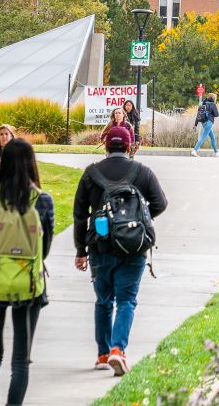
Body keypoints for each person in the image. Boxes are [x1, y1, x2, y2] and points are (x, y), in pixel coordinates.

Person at [73, 129, 168, 376]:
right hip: (134, 247)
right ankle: (118, 349)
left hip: (99, 246)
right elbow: (160, 203)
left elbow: (80, 214)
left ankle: (103, 353)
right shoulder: (143, 173)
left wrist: (80, 250)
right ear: (129, 147)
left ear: (106, 146)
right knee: (126, 300)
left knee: (103, 300)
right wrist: (138, 219)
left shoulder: (91, 173)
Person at [0, 138, 53, 405]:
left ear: (2, 163)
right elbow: (46, 246)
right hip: (29, 285)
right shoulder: (42, 201)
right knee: (21, 359)